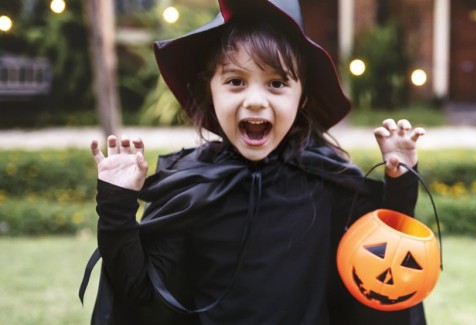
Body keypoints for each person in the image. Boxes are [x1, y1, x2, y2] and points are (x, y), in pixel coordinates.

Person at [79, 0, 428, 324]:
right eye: (235, 82)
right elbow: (139, 292)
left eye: (276, 83)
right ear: (210, 91)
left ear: (302, 96)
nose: (256, 101)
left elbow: (387, 265)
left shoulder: (328, 182)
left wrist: (401, 180)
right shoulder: (191, 189)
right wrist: (117, 205)